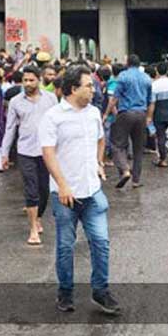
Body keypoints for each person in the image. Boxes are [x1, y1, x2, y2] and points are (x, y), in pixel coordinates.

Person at [39, 66, 118, 315]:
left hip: (92, 191)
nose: (94, 90)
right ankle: (65, 292)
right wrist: (62, 185)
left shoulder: (94, 112)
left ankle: (100, 291)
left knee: (101, 243)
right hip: (65, 195)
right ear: (74, 89)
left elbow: (100, 139)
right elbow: (48, 152)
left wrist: (98, 162)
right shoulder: (53, 116)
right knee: (65, 246)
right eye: (89, 86)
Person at [2, 65, 59, 245]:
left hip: (46, 150)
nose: (27, 83)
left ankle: (39, 216)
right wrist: (4, 153)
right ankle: (33, 228)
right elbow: (10, 128)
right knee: (31, 188)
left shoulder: (50, 99)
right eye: (25, 80)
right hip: (25, 151)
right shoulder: (16, 102)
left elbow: (58, 124)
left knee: (44, 189)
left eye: (31, 80)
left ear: (39, 80)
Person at [105, 54, 154, 189]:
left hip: (125, 113)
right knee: (138, 149)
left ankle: (125, 170)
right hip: (141, 114)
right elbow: (151, 101)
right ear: (139, 64)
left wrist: (106, 113)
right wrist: (149, 117)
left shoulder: (123, 76)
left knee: (117, 145)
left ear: (127, 63)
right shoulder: (147, 78)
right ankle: (136, 180)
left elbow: (114, 98)